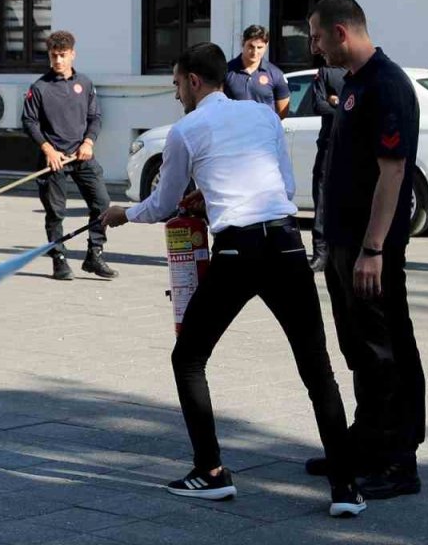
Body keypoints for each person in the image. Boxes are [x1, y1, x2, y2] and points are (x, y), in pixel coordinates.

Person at [101, 42, 365, 518]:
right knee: (317, 369)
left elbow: (162, 205)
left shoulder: (186, 129)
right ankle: (346, 488)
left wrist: (123, 213)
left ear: (194, 81)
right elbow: (282, 186)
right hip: (286, 243)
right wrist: (214, 196)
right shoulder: (263, 116)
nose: (177, 93)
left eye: (178, 84)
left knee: (189, 358)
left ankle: (211, 472)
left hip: (237, 252)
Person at [306, 0, 425, 500]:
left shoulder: (387, 84)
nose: (312, 47)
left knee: (385, 352)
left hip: (368, 250)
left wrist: (373, 249)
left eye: (315, 36)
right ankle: (365, 441)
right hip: (343, 244)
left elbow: (392, 172)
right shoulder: (353, 83)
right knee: (358, 349)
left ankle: (398, 460)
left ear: (341, 32)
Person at [22, 30, 115, 281]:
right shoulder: (39, 88)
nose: (58, 61)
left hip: (81, 156)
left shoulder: (84, 84)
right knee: (55, 213)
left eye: (63, 55)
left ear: (72, 54)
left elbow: (95, 117)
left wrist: (89, 142)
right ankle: (59, 259)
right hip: (54, 160)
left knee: (102, 203)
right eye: (54, 56)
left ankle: (94, 254)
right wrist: (48, 149)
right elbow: (29, 121)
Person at [309, 58, 348, 271]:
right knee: (322, 198)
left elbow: (363, 106)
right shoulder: (325, 72)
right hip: (329, 144)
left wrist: (337, 103)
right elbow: (318, 104)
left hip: (353, 145)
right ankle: (321, 252)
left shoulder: (359, 70)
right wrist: (345, 107)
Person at [223, 25, 291, 118]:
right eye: (251, 46)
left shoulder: (275, 74)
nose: (255, 52)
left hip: (264, 130)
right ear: (243, 43)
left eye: (259, 47)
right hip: (234, 130)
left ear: (266, 46)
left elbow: (282, 111)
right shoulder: (226, 71)